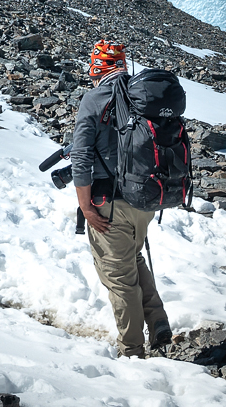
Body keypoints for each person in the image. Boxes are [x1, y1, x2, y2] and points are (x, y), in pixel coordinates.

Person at [69, 39, 173, 356]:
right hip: (144, 199)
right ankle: (158, 324)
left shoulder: (94, 99)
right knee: (134, 258)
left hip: (108, 204)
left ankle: (131, 350)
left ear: (97, 67)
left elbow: (81, 157)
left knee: (119, 277)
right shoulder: (142, 93)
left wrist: (85, 205)